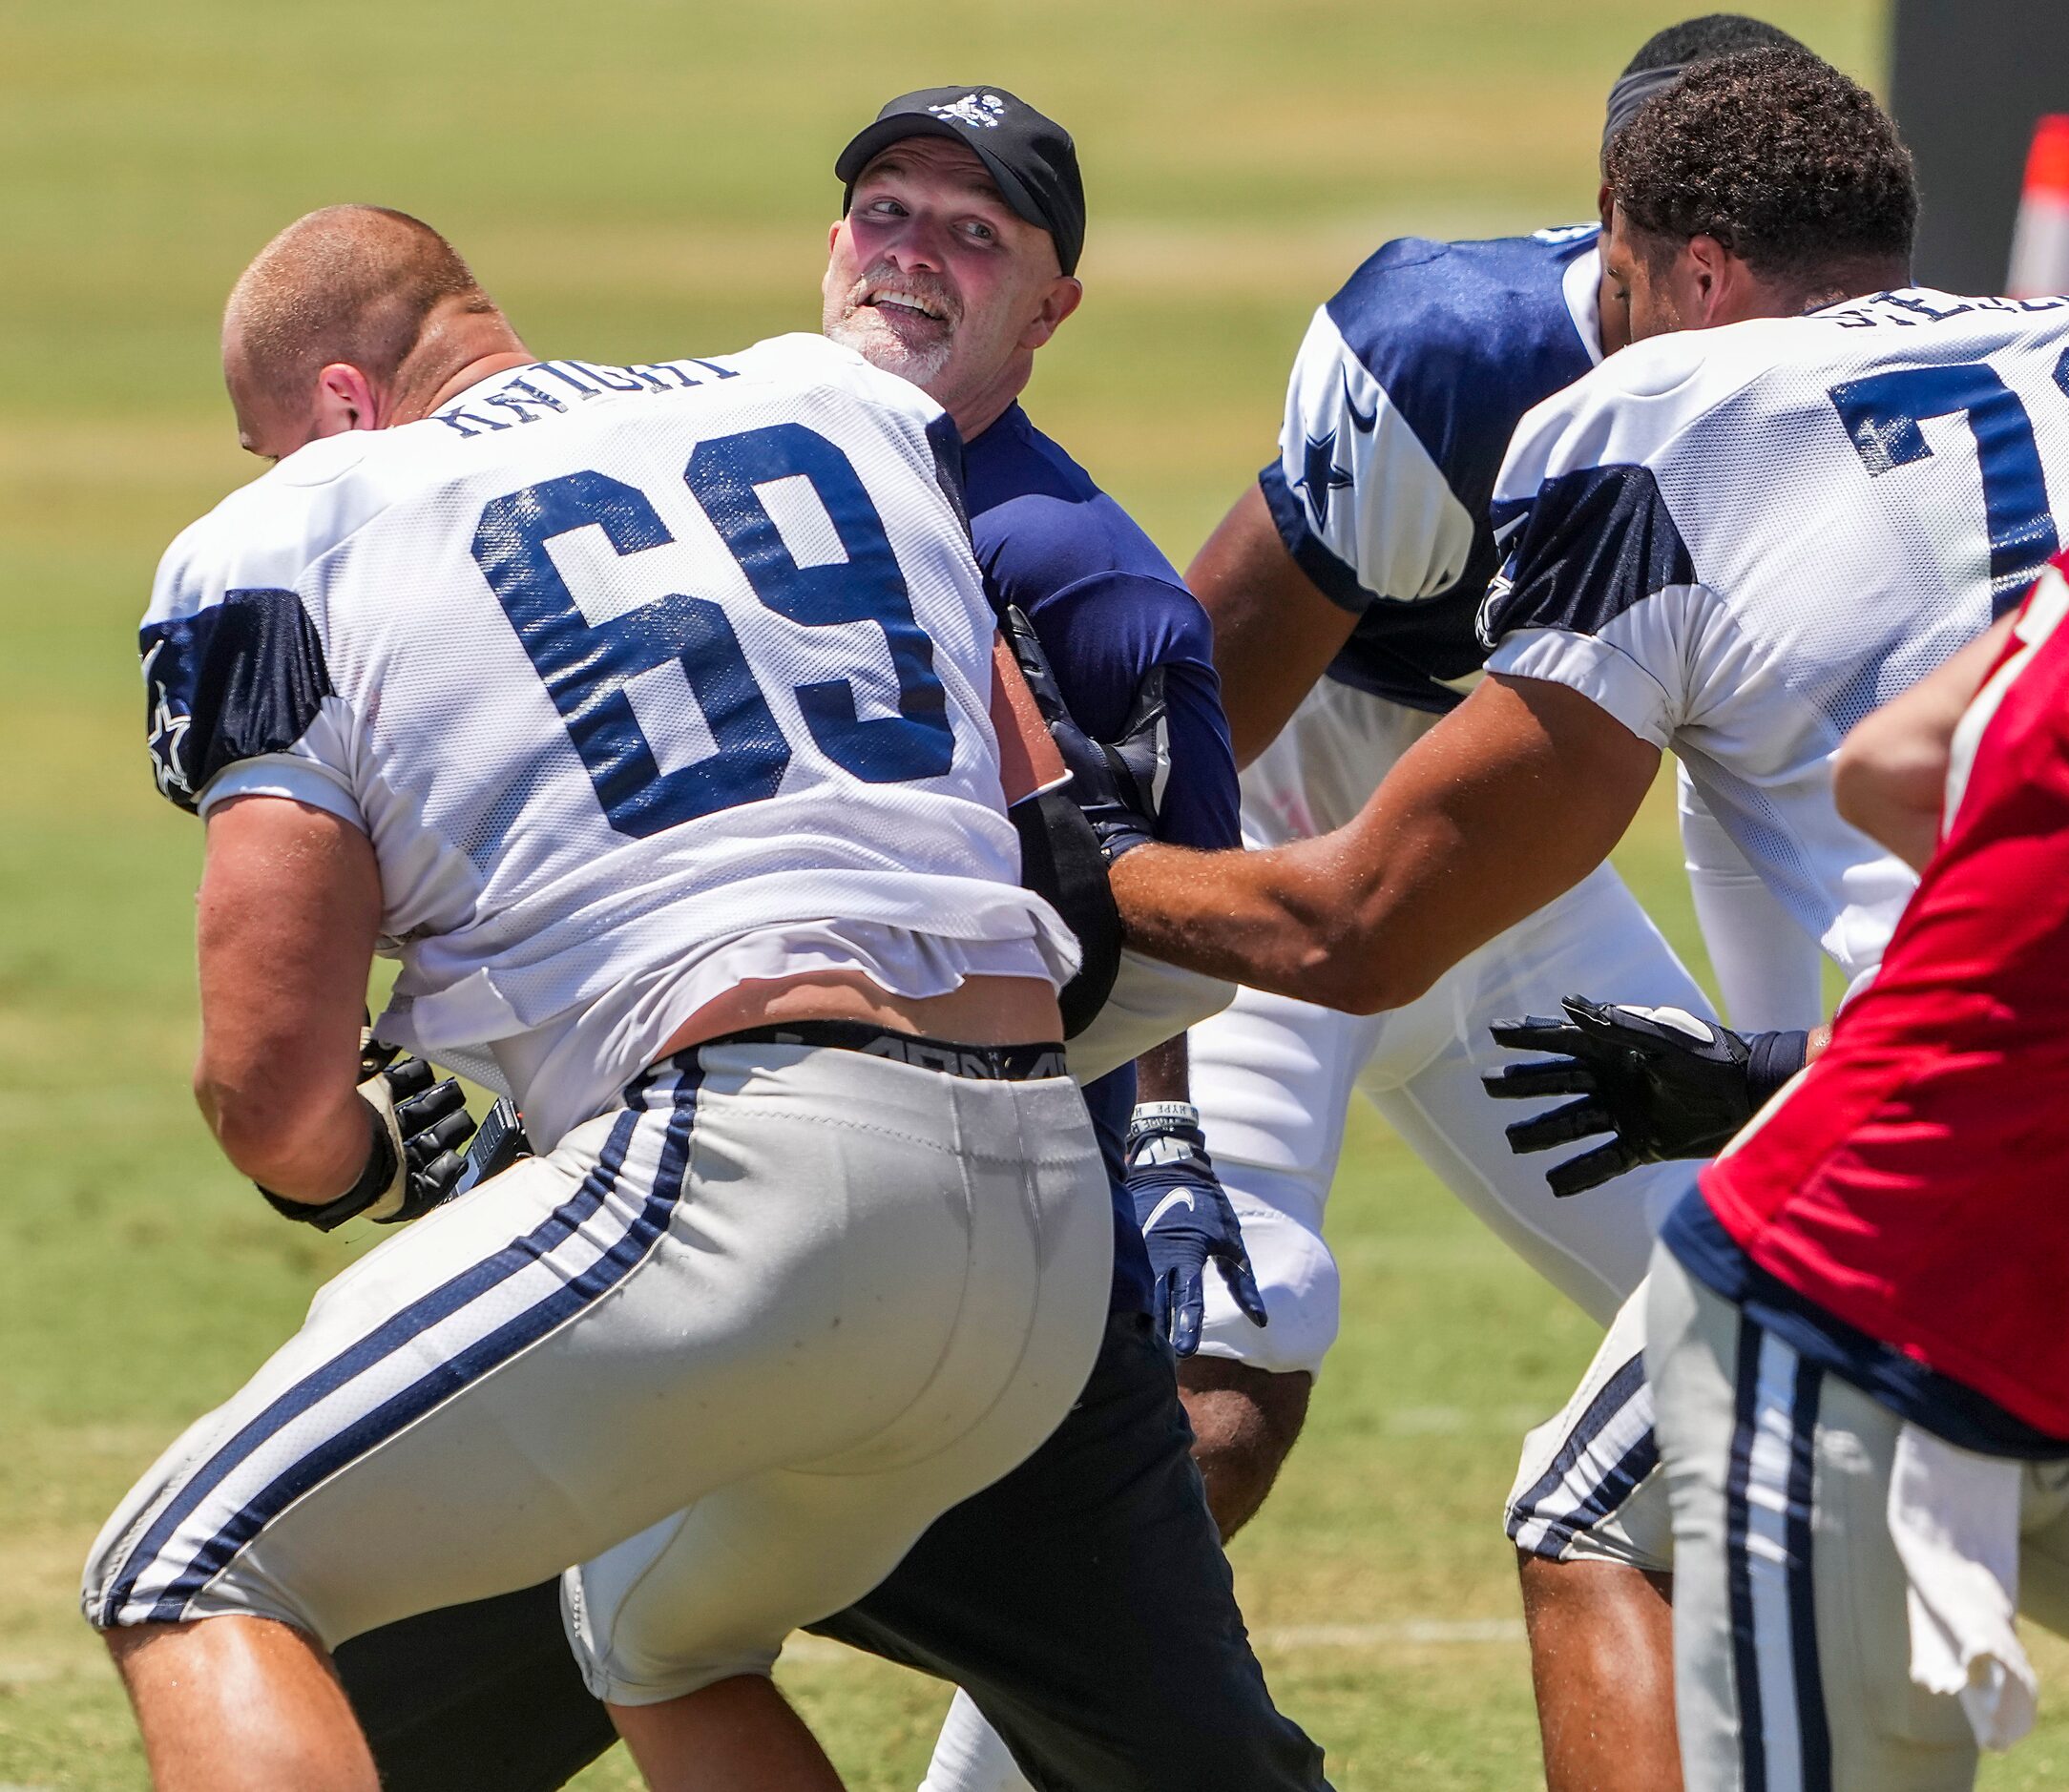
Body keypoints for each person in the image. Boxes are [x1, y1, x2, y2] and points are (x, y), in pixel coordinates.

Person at [1043, 54, 2069, 1785]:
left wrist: (1062, 865)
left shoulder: (1632, 420)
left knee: (1601, 1520)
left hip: (2035, 1171)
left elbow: (1362, 920)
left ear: (1677, 269)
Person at [319, 90, 1332, 1792]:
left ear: (1050, 306)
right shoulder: (663, 465)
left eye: (974, 231)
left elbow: (1163, 927)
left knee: (1194, 1763)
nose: (912, 254)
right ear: (829, 242)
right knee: (390, 1718)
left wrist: (1155, 1128)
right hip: (660, 1211)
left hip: (981, 1263)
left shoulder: (1084, 578)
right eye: (885, 211)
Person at [91, 204, 1112, 1792]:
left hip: (753, 1175)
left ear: (344, 409)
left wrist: (372, 1161)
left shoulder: (304, 522)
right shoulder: (829, 401)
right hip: (1045, 1227)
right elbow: (1057, 850)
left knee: (182, 1567)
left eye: (267, 442)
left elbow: (269, 1090)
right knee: (652, 1631)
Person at [1169, 20, 1798, 1781]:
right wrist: (1145, 1079)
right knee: (1217, 1399)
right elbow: (1195, 716)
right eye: (1706, 267)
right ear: (1619, 223)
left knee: (1784, 1330)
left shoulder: (1825, 371)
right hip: (1292, 847)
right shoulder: (1449, 351)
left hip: (1522, 867)